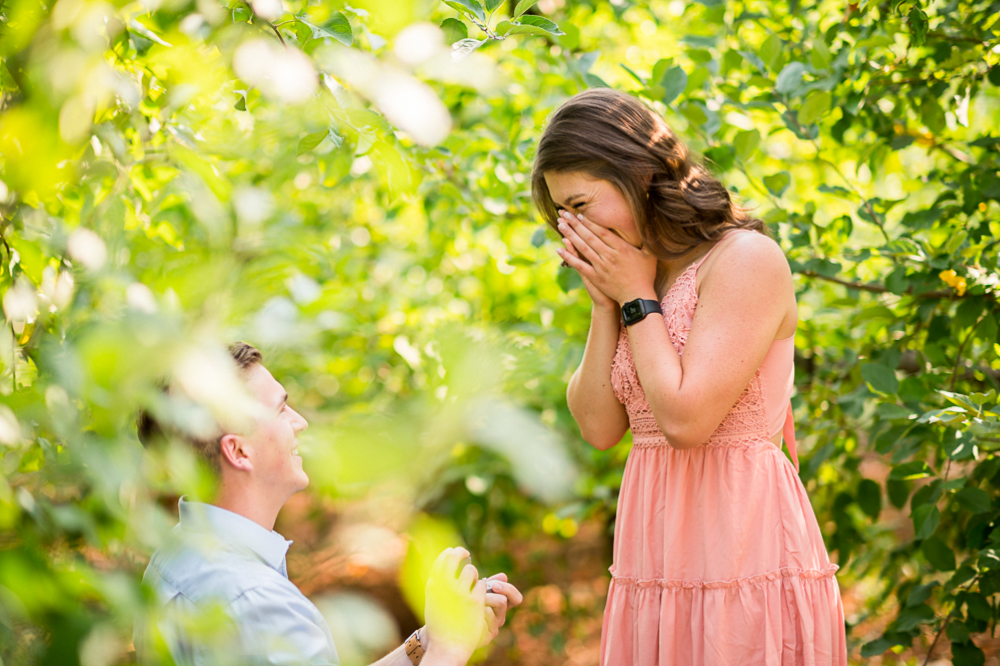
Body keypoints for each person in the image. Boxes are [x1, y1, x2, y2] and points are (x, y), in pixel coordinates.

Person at [531, 88, 847, 665]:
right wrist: (607, 305)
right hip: (656, 552)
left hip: (740, 542)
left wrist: (633, 296)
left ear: (637, 173)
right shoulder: (641, 274)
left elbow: (686, 420)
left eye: (580, 204)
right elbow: (600, 427)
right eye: (561, 216)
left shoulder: (743, 259)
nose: (571, 229)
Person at [133, 342, 522, 666]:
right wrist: (453, 647)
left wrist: (427, 642)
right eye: (281, 409)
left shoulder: (174, 558)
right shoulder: (260, 604)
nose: (299, 421)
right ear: (239, 451)